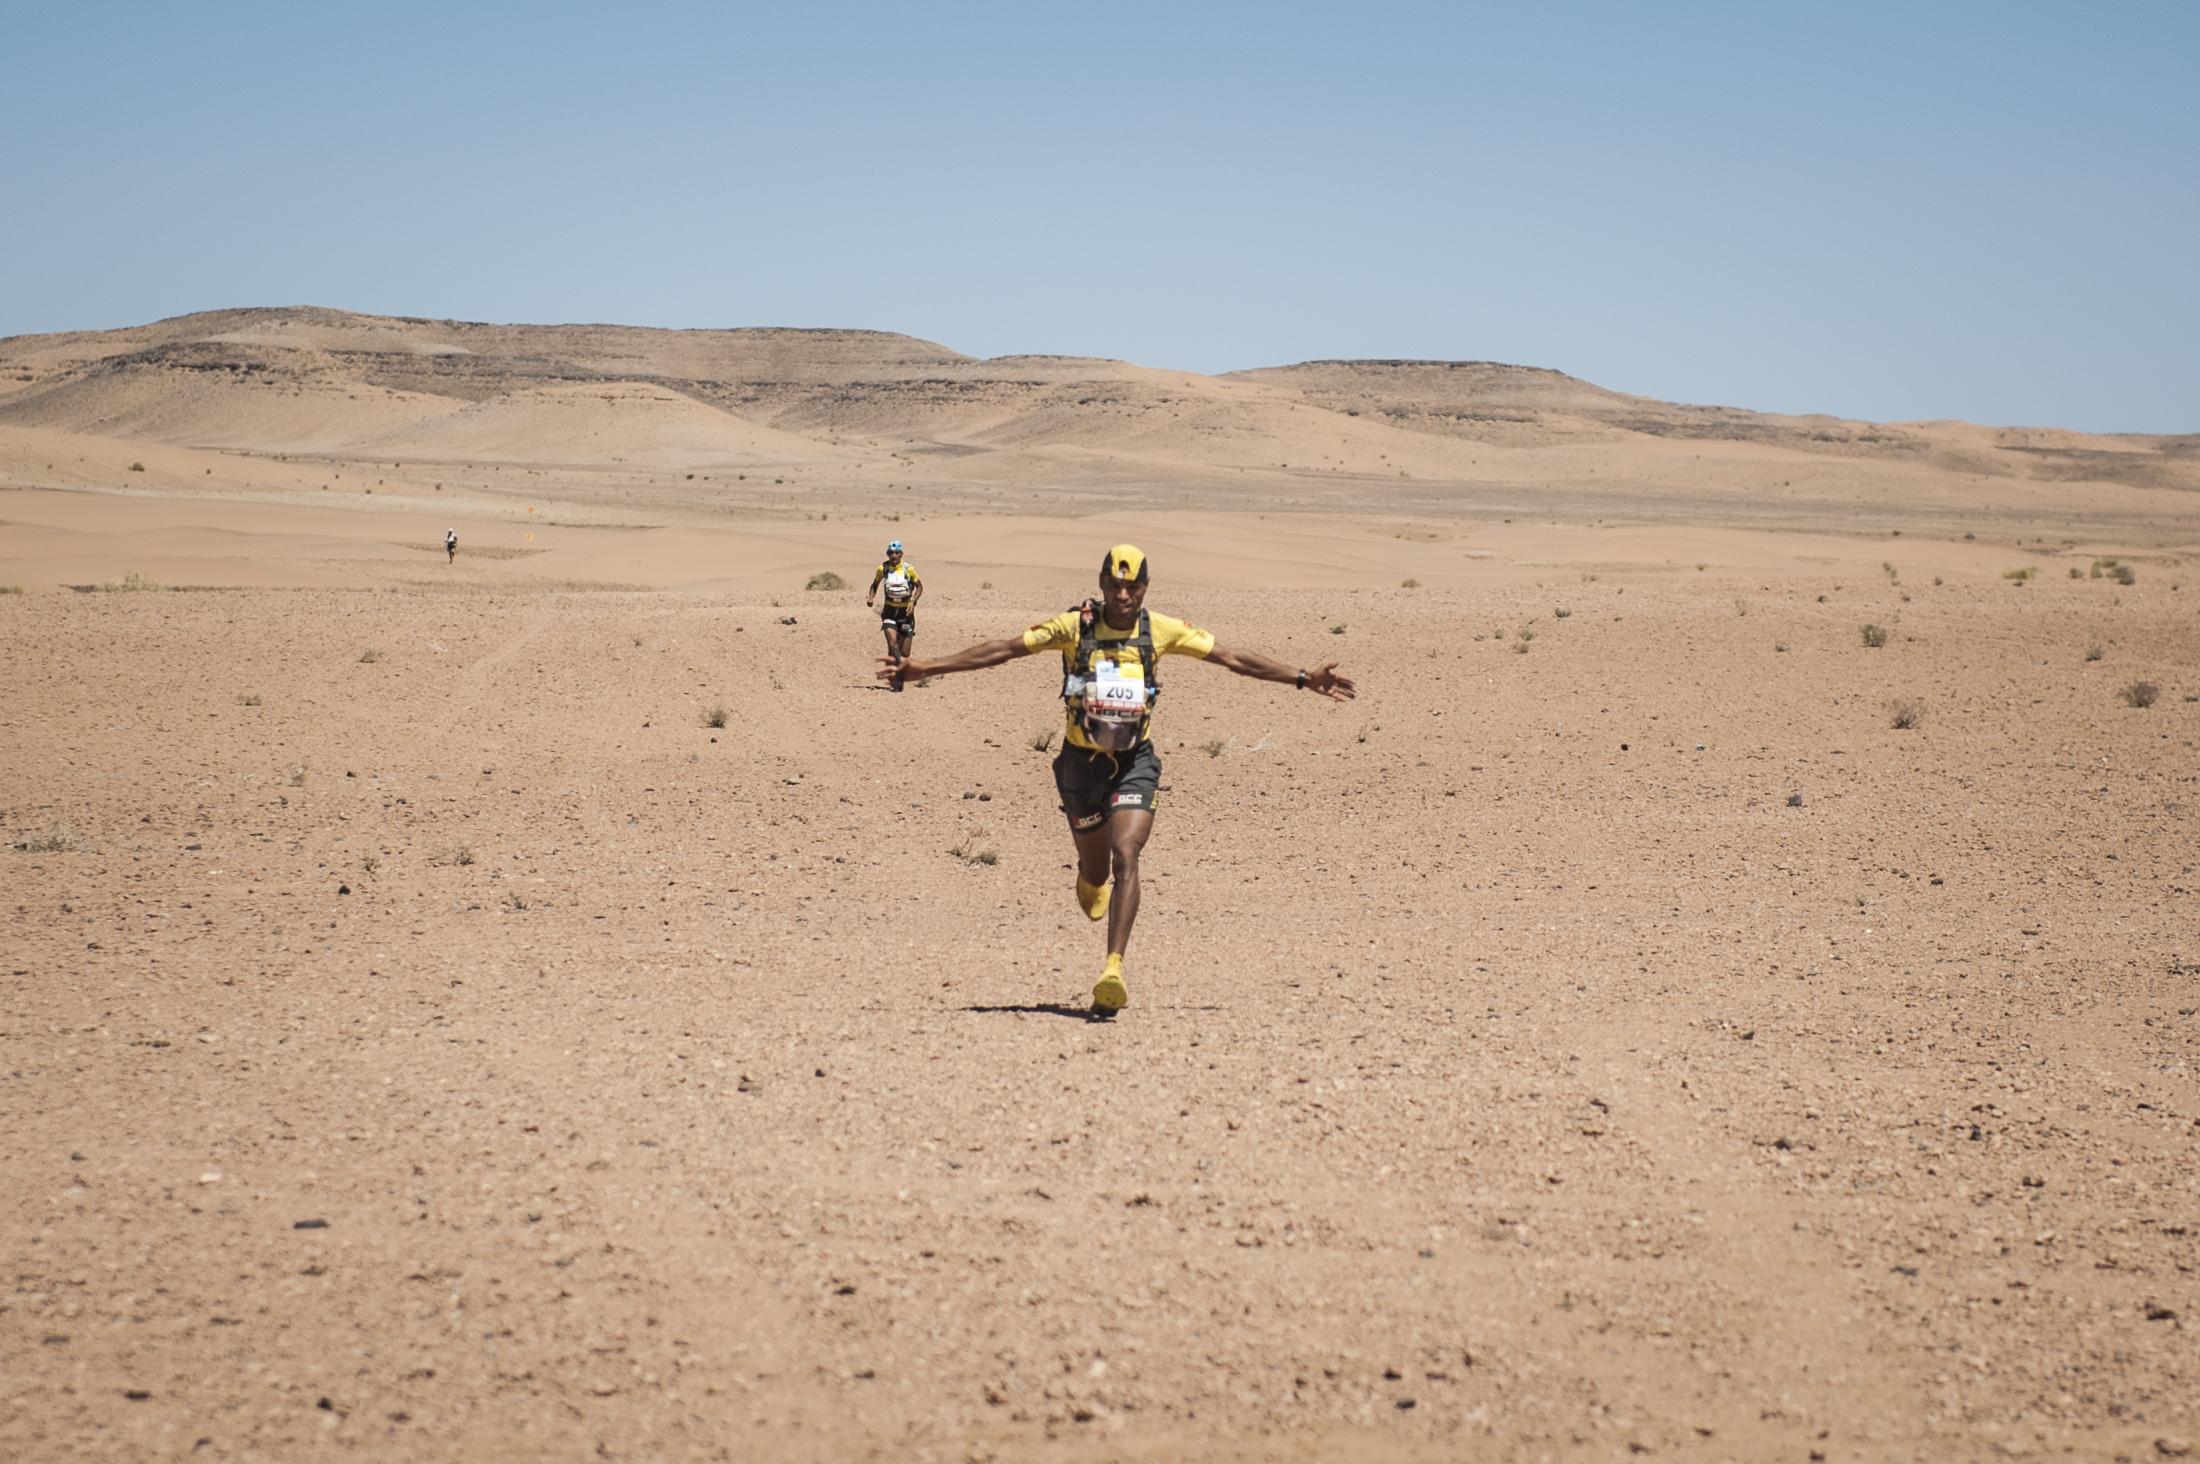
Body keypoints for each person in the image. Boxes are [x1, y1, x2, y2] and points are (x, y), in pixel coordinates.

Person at [876, 543, 1354, 1015]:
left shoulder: (1162, 630)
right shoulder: (1073, 627)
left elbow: (1234, 659)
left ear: (1145, 588)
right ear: (1102, 584)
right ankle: (1089, 878)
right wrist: (927, 667)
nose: (1123, 594)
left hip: (1134, 763)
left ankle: (1113, 969)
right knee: (1097, 870)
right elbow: (1003, 649)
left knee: (1127, 853)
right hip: (1079, 769)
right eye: (1114, 585)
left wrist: (1302, 677)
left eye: (1133, 585)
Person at [866, 540, 922, 681]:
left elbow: (919, 587)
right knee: (891, 645)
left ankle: (900, 646)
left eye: (897, 553)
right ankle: (893, 678)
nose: (894, 555)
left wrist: (913, 603)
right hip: (890, 611)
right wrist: (871, 598)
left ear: (901, 554)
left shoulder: (908, 569)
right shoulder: (883, 568)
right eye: (891, 553)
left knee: (905, 652)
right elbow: (875, 584)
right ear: (887, 554)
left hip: (905, 613)